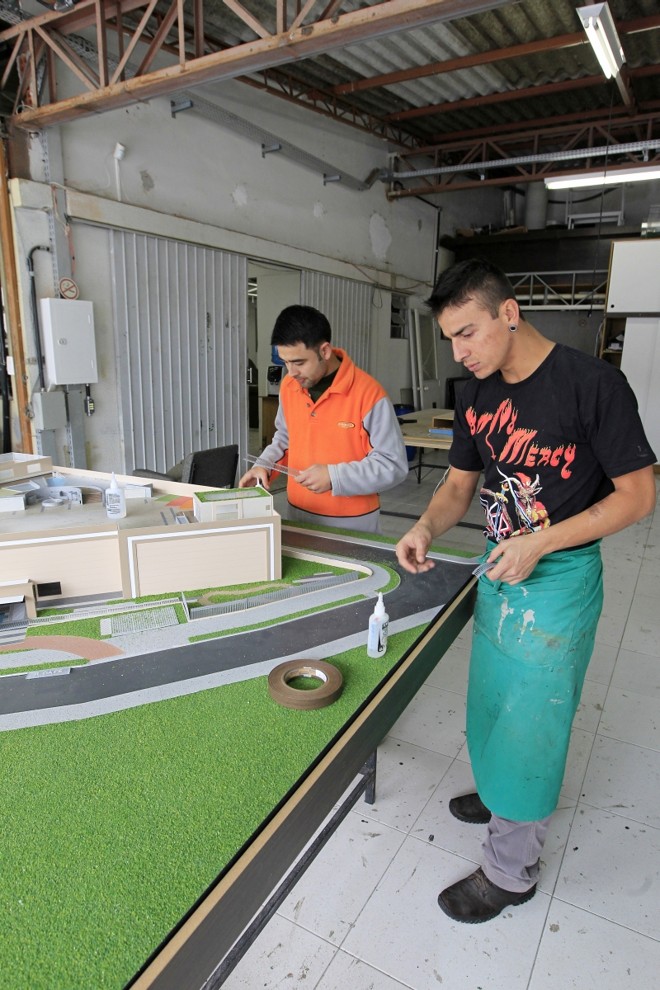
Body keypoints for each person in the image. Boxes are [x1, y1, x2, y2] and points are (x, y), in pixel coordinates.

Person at [395, 258, 656, 924]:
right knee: (490, 701)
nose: (460, 352)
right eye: (450, 339)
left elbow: (637, 496)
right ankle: (499, 793)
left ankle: (510, 872)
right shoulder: (475, 395)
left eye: (469, 333)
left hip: (559, 579)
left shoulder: (592, 386)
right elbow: (459, 485)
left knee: (531, 722)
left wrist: (541, 542)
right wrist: (425, 526)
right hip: (500, 569)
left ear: (508, 313)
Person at [239, 304, 408, 532]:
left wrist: (334, 477)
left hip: (353, 523)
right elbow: (286, 439)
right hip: (298, 514)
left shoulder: (369, 395)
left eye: (299, 362)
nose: (291, 372)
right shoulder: (289, 386)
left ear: (325, 351)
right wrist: (264, 466)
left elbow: (392, 464)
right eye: (285, 362)